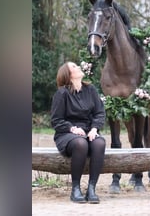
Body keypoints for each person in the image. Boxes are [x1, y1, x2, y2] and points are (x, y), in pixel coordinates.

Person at [50, 61, 106, 204]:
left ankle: (92, 189)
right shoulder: (62, 93)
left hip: (88, 130)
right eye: (74, 67)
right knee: (81, 144)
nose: (78, 67)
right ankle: (75, 189)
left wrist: (94, 129)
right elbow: (56, 120)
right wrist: (72, 128)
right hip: (66, 134)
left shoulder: (91, 90)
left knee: (99, 143)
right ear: (68, 75)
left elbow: (99, 113)